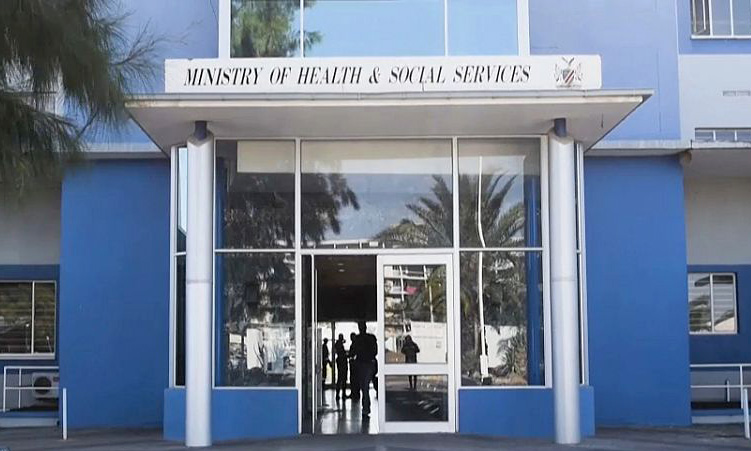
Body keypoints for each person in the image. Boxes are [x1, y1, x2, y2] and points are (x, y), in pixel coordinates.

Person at [352, 321, 377, 418]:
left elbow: (353, 351)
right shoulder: (371, 338)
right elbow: (375, 351)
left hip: (362, 363)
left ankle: (366, 407)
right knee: (364, 387)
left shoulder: (358, 339)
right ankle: (366, 407)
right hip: (368, 363)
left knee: (364, 387)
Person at [333, 333, 348, 401]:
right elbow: (342, 353)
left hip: (340, 362)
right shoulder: (339, 344)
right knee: (343, 378)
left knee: (340, 378)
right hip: (342, 362)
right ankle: (343, 394)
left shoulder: (337, 344)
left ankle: (338, 394)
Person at [347, 332, 359, 401]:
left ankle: (354, 393)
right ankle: (354, 393)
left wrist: (349, 356)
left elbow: (353, 354)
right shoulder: (355, 344)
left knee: (354, 379)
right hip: (354, 364)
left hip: (354, 364)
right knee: (354, 379)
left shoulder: (355, 345)